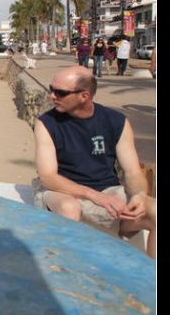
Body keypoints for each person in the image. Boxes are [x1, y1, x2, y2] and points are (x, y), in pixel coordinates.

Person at [32, 66, 156, 258]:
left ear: (85, 96)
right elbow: (48, 177)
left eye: (60, 92)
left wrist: (139, 195)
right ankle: (65, 269)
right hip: (63, 192)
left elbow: (132, 171)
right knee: (69, 208)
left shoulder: (116, 121)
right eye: (51, 89)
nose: (52, 96)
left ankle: (150, 280)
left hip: (107, 191)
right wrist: (94, 196)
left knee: (154, 210)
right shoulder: (46, 123)